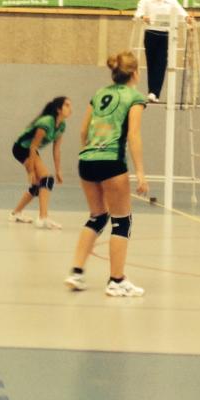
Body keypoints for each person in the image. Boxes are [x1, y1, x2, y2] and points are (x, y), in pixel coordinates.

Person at [64, 51, 148, 297]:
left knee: (98, 216)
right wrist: (140, 172)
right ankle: (116, 280)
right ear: (135, 73)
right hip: (111, 161)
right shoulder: (134, 97)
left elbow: (83, 131)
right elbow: (133, 135)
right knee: (122, 221)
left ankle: (76, 272)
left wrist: (89, 153)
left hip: (87, 160)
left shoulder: (100, 93)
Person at [9, 97, 71, 229]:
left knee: (37, 185)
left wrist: (58, 170)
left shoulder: (61, 125)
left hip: (30, 149)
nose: (70, 108)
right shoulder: (47, 122)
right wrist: (30, 170)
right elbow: (33, 146)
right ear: (58, 109)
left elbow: (56, 149)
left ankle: (16, 213)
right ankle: (43, 218)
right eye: (67, 105)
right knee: (47, 179)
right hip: (21, 148)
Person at [134, 0, 194, 102]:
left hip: (165, 35)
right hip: (150, 34)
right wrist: (143, 17)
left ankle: (155, 93)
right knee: (151, 64)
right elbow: (138, 12)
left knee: (161, 64)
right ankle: (151, 92)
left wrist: (187, 17)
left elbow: (181, 11)